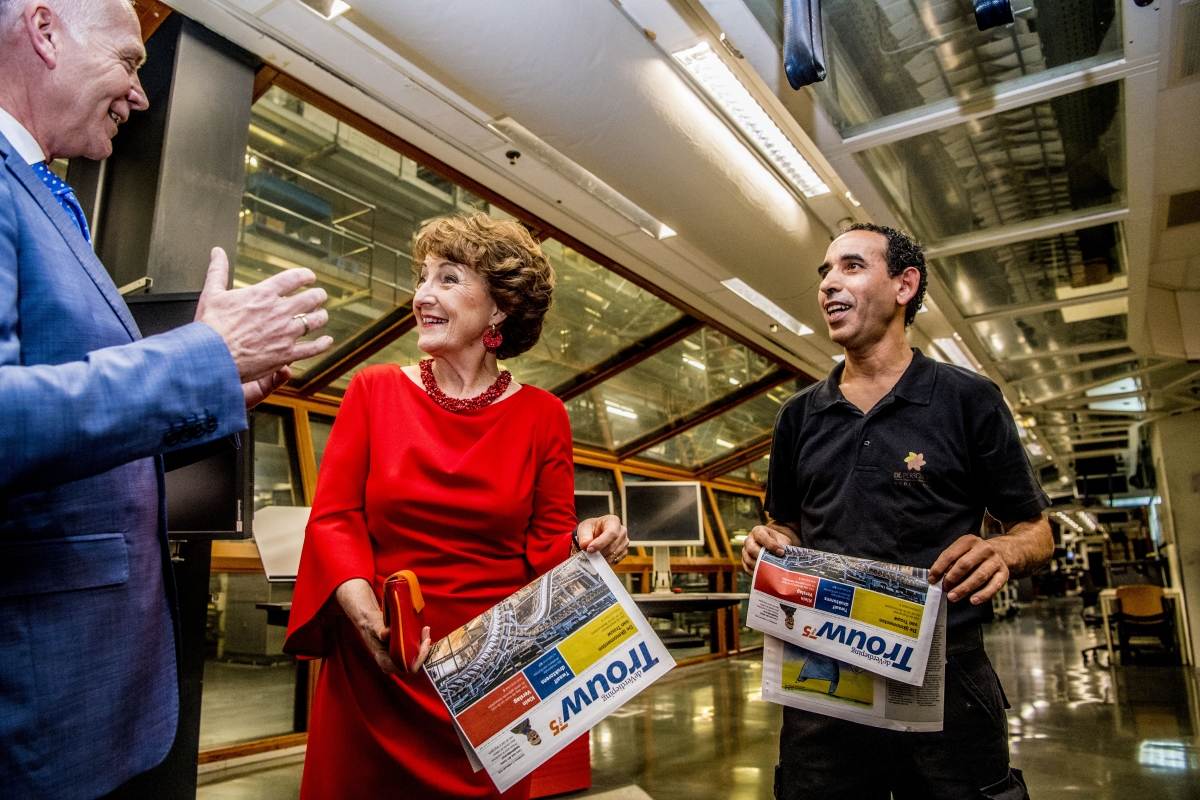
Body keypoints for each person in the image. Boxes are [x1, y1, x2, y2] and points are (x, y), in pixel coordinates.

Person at [0, 1, 332, 797]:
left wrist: (220, 386)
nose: (139, 94)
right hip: (37, 700)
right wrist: (202, 356)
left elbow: (76, 444)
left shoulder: (43, 194)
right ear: (43, 31)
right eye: (128, 60)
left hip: (92, 687)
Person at [285, 213, 629, 800]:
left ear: (499, 309)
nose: (423, 295)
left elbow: (548, 545)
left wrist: (589, 537)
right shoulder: (372, 390)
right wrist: (365, 617)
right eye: (421, 278)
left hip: (489, 679)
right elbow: (335, 519)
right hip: (380, 661)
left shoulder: (543, 415)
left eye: (447, 278)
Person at [742, 223, 1052, 800]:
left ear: (904, 285)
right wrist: (768, 541)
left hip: (946, 679)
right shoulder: (798, 417)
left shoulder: (968, 399)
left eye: (852, 267)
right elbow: (786, 525)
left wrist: (1002, 551)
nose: (829, 284)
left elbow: (1035, 530)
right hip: (823, 674)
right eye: (825, 272)